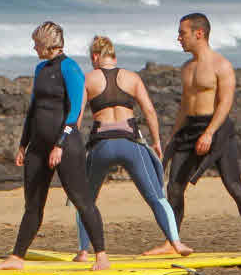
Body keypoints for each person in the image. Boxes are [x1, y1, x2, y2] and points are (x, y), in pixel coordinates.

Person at [0, 22, 111, 271]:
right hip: (38, 146)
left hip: (66, 146)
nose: (34, 47)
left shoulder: (70, 68)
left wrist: (60, 145)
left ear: (48, 44)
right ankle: (17, 257)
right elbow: (33, 109)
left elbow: (75, 109)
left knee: (81, 199)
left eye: (37, 43)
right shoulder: (40, 69)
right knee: (32, 204)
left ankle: (101, 255)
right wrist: (23, 143)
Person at [73, 36, 193, 261]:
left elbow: (77, 118)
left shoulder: (88, 79)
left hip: (102, 145)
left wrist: (73, 147)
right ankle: (176, 242)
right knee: (156, 197)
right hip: (131, 143)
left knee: (85, 200)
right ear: (114, 56)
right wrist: (156, 142)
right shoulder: (133, 78)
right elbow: (149, 111)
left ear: (95, 57)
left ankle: (83, 251)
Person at [158, 13, 241, 253]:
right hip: (189, 130)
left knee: (233, 185)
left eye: (182, 33)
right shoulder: (186, 68)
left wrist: (209, 133)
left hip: (217, 130)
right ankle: (172, 242)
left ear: (199, 33)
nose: (179, 38)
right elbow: (184, 106)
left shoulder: (221, 65)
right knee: (174, 187)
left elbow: (225, 103)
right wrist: (172, 137)